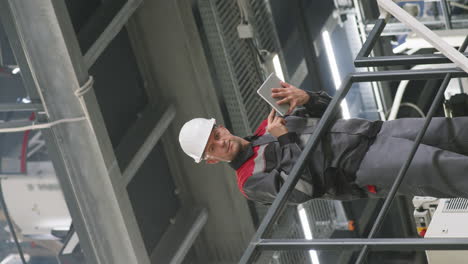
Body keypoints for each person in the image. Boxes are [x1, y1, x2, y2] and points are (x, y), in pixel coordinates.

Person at [179, 81, 468, 204]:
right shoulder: (248, 182)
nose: (221, 143)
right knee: (443, 167)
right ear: (212, 160)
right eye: (211, 148)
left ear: (223, 128)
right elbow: (303, 189)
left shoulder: (267, 127)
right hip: (359, 167)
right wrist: (287, 139)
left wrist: (308, 98)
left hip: (374, 131)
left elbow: (331, 113)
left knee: (453, 129)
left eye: (216, 135)